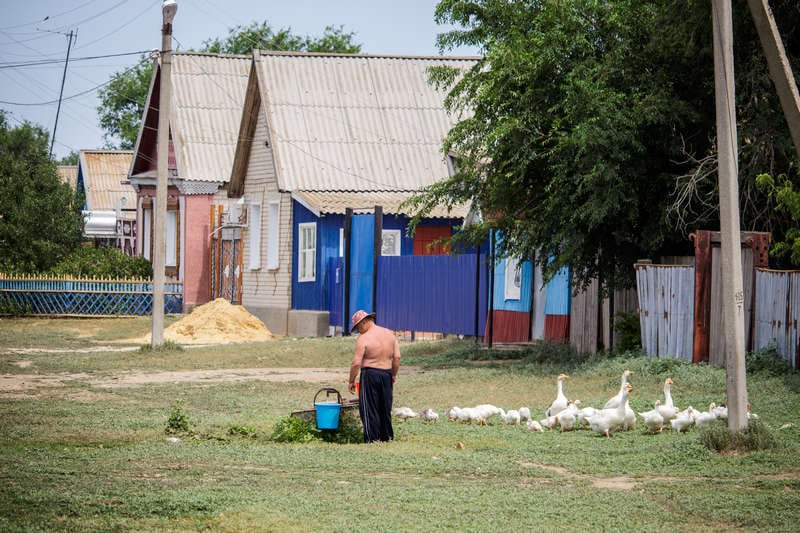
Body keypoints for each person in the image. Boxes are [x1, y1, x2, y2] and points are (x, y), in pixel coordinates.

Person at [348, 309, 400, 443]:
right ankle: (386, 437)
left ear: (364, 322)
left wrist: (351, 381)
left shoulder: (364, 338)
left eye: (358, 327)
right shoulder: (389, 334)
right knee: (385, 407)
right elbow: (397, 357)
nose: (358, 331)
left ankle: (372, 438)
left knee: (369, 407)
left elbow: (356, 363)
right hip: (386, 373)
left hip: (370, 374)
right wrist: (393, 375)